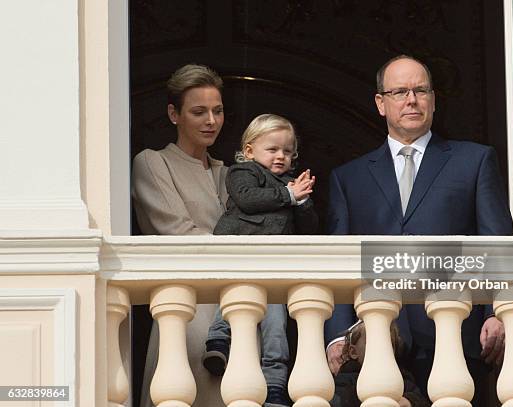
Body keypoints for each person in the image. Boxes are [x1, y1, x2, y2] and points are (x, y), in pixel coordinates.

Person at [325, 55, 513, 405]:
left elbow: (498, 244)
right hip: (378, 336)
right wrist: (338, 335)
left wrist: (498, 313)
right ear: (381, 103)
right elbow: (339, 261)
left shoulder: (474, 160)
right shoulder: (347, 178)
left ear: (433, 99)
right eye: (399, 92)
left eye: (420, 90)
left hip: (456, 332)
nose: (411, 99)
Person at [204, 113, 318, 407]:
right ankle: (217, 343)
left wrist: (303, 202)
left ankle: (276, 383)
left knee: (276, 324)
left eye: (288, 151)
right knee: (232, 299)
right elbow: (247, 199)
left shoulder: (293, 185)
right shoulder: (243, 172)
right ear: (250, 150)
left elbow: (309, 229)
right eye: (273, 149)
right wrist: (289, 195)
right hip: (241, 253)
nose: (281, 156)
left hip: (275, 264)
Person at [131, 64, 228, 407]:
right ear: (174, 114)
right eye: (199, 112)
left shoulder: (229, 173)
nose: (211, 121)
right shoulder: (153, 163)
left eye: (217, 111)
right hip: (185, 315)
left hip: (236, 316)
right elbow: (178, 233)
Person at [330, 320, 430, 407]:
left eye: (389, 344)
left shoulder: (402, 379)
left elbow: (421, 400)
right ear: (353, 352)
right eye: (373, 341)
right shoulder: (345, 378)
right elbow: (338, 401)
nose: (382, 347)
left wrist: (409, 401)